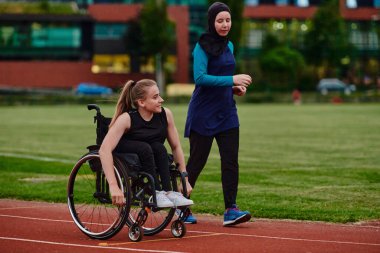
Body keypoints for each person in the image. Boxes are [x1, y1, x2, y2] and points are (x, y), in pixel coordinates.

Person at [184, 2, 252, 226]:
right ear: (212, 23)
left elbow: (221, 78)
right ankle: (180, 206)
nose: (224, 25)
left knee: (231, 161)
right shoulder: (201, 47)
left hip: (227, 111)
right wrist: (232, 80)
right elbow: (200, 79)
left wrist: (233, 89)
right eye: (220, 21)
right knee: (196, 162)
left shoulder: (229, 45)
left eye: (228, 20)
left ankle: (231, 209)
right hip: (203, 113)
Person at [99, 79, 193, 208]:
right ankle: (156, 192)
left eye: (159, 95)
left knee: (159, 147)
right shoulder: (126, 119)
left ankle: (169, 192)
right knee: (145, 147)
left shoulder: (166, 115)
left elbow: (176, 147)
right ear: (141, 102)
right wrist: (114, 186)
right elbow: (104, 150)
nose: (161, 100)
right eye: (155, 97)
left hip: (149, 151)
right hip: (124, 148)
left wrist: (185, 180)